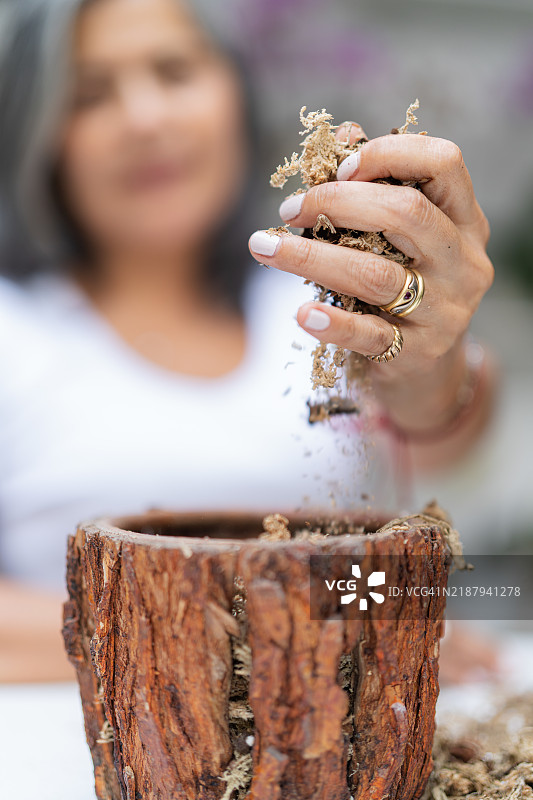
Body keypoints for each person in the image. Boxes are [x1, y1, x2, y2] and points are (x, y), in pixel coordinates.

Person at [0, 0, 496, 683]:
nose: (145, 118)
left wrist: (428, 351)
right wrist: (258, 632)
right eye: (89, 95)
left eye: (173, 72)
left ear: (235, 91)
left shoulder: (314, 293)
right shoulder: (16, 330)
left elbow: (443, 433)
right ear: (40, 133)